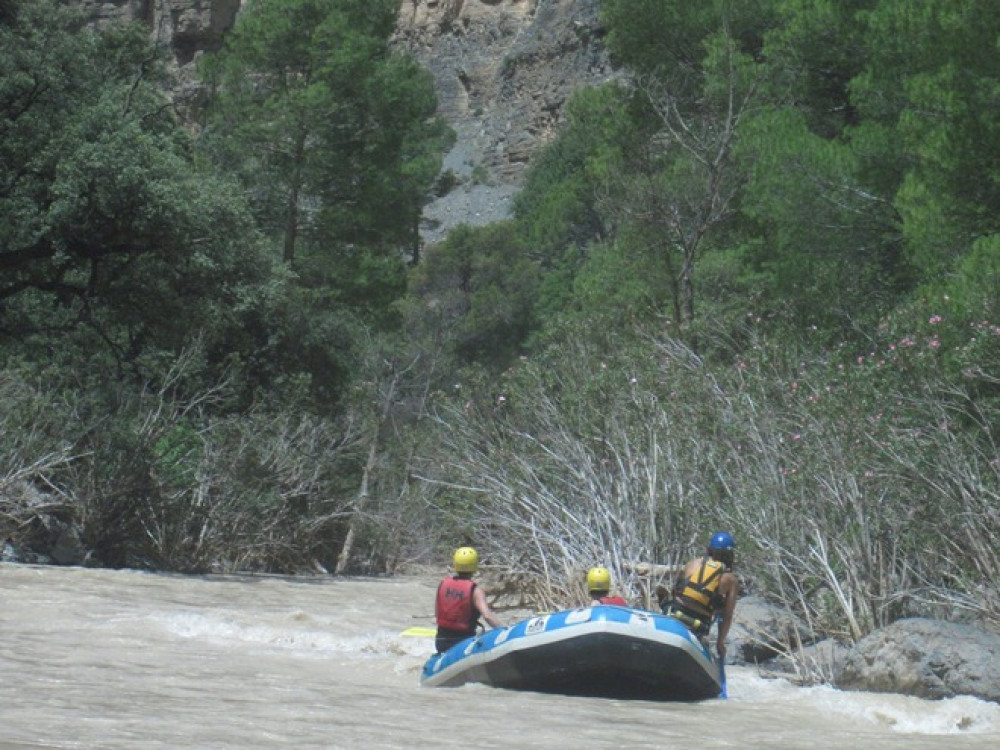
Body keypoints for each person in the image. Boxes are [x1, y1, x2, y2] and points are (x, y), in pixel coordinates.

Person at [665, 532, 739, 659]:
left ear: (709, 550)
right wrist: (720, 642)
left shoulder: (694, 563)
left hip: (674, 611)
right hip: (699, 622)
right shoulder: (731, 580)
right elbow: (727, 615)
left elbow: (678, 589)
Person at [434, 546, 503, 654]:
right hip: (463, 642)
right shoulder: (476, 591)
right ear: (474, 565)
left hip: (441, 641)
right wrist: (503, 630)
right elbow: (487, 616)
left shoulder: (443, 584)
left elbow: (437, 613)